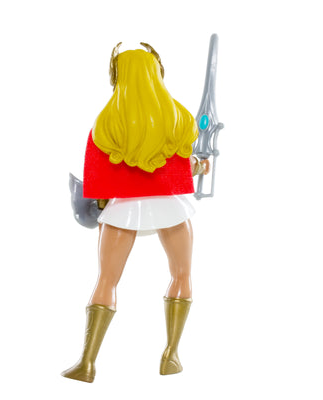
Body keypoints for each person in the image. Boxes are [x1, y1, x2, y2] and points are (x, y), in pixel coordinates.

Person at [61, 42, 210, 383]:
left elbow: (97, 183)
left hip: (124, 210)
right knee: (182, 274)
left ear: (117, 77)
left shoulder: (106, 125)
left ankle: (87, 362)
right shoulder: (177, 120)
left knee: (106, 279)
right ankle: (171, 355)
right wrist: (200, 166)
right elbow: (182, 168)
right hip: (172, 207)